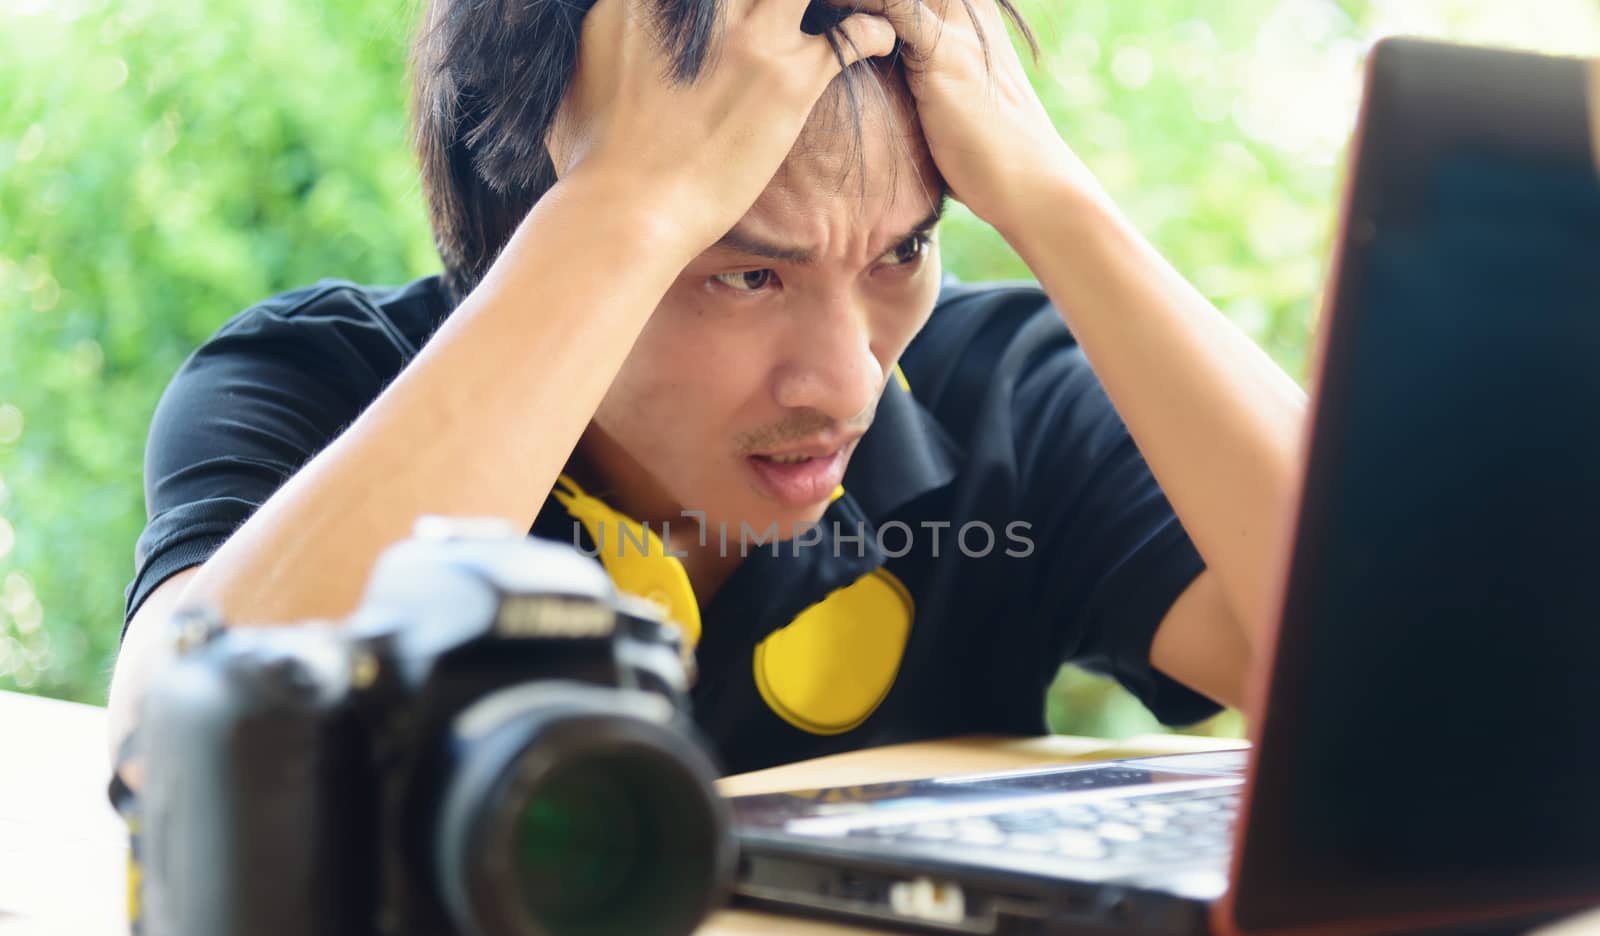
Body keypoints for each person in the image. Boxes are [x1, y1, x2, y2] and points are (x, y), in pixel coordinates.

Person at [108, 0, 1306, 777]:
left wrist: (1057, 200)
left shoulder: (1003, 395)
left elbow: (1402, 676)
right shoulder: (318, 387)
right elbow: (179, 759)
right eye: (742, 272)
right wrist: (634, 202)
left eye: (902, 252)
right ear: (558, 221)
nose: (847, 380)